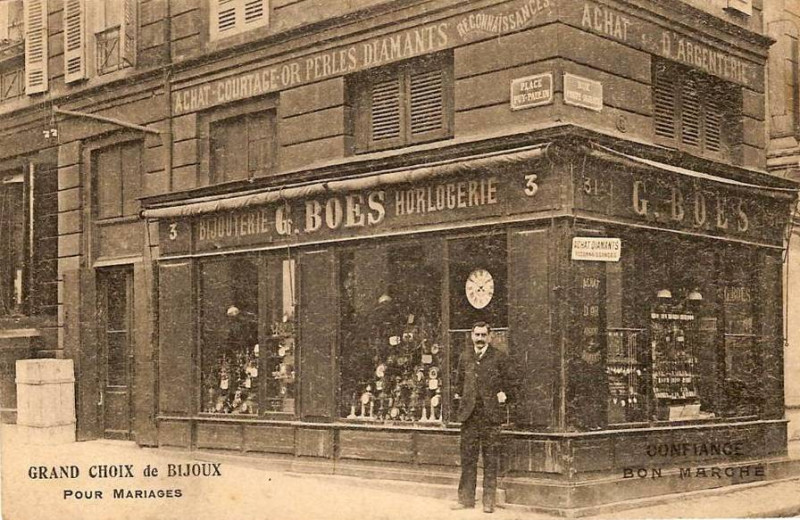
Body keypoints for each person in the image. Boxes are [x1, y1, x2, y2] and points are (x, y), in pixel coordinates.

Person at [451, 322, 513, 514]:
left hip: (490, 417)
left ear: (489, 336)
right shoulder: (465, 357)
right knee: (468, 460)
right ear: (471, 336)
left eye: (483, 335)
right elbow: (459, 384)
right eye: (476, 335)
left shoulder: (499, 357)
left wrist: (504, 395)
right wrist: (461, 403)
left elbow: (511, 382)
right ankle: (466, 499)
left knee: (490, 460)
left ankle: (488, 501)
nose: (479, 339)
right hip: (469, 417)